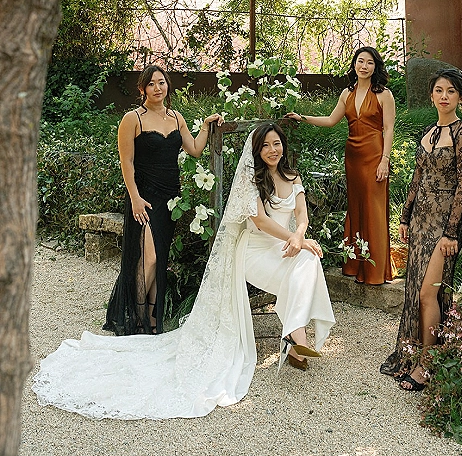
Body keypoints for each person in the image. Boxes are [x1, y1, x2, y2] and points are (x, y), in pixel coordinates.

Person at [32, 123, 334, 419]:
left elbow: (301, 214)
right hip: (255, 251)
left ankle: (295, 341)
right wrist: (296, 239)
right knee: (305, 263)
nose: (272, 150)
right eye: (265, 145)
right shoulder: (251, 178)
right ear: (256, 151)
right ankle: (298, 341)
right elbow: (260, 222)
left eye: (276, 143)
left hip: (284, 247)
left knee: (310, 261)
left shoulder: (293, 176)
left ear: (283, 146)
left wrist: (301, 236)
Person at [104, 64, 223, 336]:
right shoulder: (132, 119)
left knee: (160, 257)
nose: (157, 88)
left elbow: (194, 150)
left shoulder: (176, 117)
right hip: (143, 196)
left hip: (170, 197)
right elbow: (127, 161)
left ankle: (153, 316)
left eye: (162, 82)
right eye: (151, 84)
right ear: (142, 89)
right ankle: (136, 314)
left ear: (167, 85)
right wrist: (134, 198)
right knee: (148, 257)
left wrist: (205, 126)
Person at [379, 68, 462, 392]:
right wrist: (404, 218)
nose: (444, 96)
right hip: (420, 223)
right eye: (439, 90)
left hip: (444, 224)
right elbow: (417, 180)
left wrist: (451, 233)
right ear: (431, 95)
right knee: (413, 291)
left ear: (460, 96)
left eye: (451, 91)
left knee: (428, 293)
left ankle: (427, 365)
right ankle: (411, 354)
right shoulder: (428, 133)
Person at [287, 46, 395, 284]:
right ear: (354, 65)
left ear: (375, 67)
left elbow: (388, 129)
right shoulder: (347, 93)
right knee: (356, 206)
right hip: (353, 157)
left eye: (369, 62)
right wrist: (302, 118)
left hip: (375, 156)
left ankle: (376, 272)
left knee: (373, 208)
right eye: (360, 61)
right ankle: (356, 265)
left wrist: (385, 160)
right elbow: (330, 120)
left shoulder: (384, 94)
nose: (364, 66)